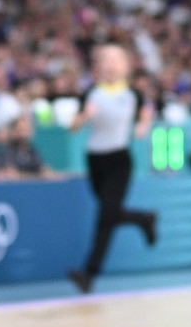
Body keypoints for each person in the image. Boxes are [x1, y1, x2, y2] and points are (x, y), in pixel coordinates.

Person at [66, 44, 158, 294]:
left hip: (119, 160)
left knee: (106, 217)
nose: (110, 64)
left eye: (115, 59)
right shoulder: (90, 93)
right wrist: (84, 117)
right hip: (95, 160)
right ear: (98, 66)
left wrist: (142, 126)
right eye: (105, 59)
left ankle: (88, 273)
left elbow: (146, 115)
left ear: (126, 65)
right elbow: (73, 127)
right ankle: (144, 218)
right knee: (110, 213)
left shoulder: (133, 94)